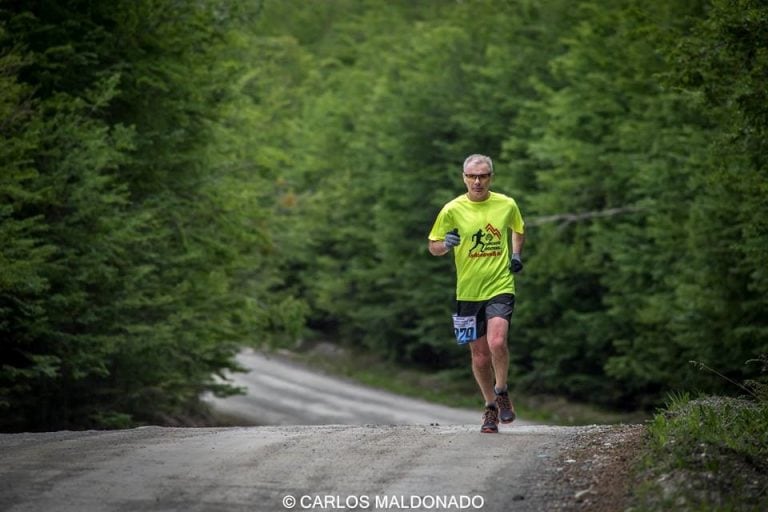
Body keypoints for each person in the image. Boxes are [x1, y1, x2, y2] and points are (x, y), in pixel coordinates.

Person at [428, 154, 525, 433]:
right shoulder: (452, 209)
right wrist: (446, 244)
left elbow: (518, 228)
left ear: (490, 177)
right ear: (464, 178)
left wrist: (516, 255)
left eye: (483, 176)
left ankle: (502, 389)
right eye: (472, 176)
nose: (477, 181)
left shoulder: (506, 204)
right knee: (480, 356)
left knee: (497, 342)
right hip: (468, 292)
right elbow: (432, 245)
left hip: (500, 285)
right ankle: (490, 407)